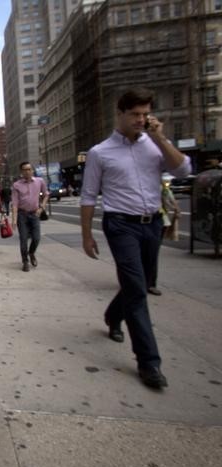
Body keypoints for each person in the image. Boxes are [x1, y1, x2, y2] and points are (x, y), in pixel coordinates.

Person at [80, 87, 191, 389]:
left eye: (145, 114)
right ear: (120, 114)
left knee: (137, 284)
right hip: (121, 225)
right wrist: (87, 235)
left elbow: (182, 170)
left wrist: (160, 138)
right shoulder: (100, 152)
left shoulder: (155, 146)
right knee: (138, 291)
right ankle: (149, 362)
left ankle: (113, 315)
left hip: (152, 223)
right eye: (135, 115)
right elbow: (88, 196)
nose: (141, 120)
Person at [11, 161, 49, 271]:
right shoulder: (16, 185)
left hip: (35, 214)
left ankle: (31, 252)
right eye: (25, 170)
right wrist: (14, 220)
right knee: (23, 239)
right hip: (22, 215)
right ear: (21, 172)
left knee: (36, 238)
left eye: (29, 169)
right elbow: (15, 203)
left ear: (32, 170)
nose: (27, 172)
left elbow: (46, 194)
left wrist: (42, 208)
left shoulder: (40, 181)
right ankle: (25, 261)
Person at [147, 178, 181, 295]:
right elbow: (170, 200)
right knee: (152, 254)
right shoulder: (160, 183)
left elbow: (168, 197)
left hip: (156, 220)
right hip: (158, 220)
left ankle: (147, 282)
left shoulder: (161, 184)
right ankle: (149, 283)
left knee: (146, 253)